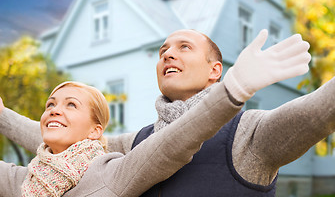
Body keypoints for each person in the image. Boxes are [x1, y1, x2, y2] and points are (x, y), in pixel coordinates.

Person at [2, 28, 331, 196]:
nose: (168, 55)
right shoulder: (138, 142)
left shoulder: (249, 133)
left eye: (184, 47)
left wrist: (239, 86)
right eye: (163, 51)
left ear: (215, 70)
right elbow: (64, 136)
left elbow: (318, 112)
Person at [1, 80, 243, 196]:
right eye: (50, 104)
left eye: (71, 105)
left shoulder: (110, 173)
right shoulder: (24, 180)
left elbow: (171, 143)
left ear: (95, 131)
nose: (54, 110)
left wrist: (234, 91)